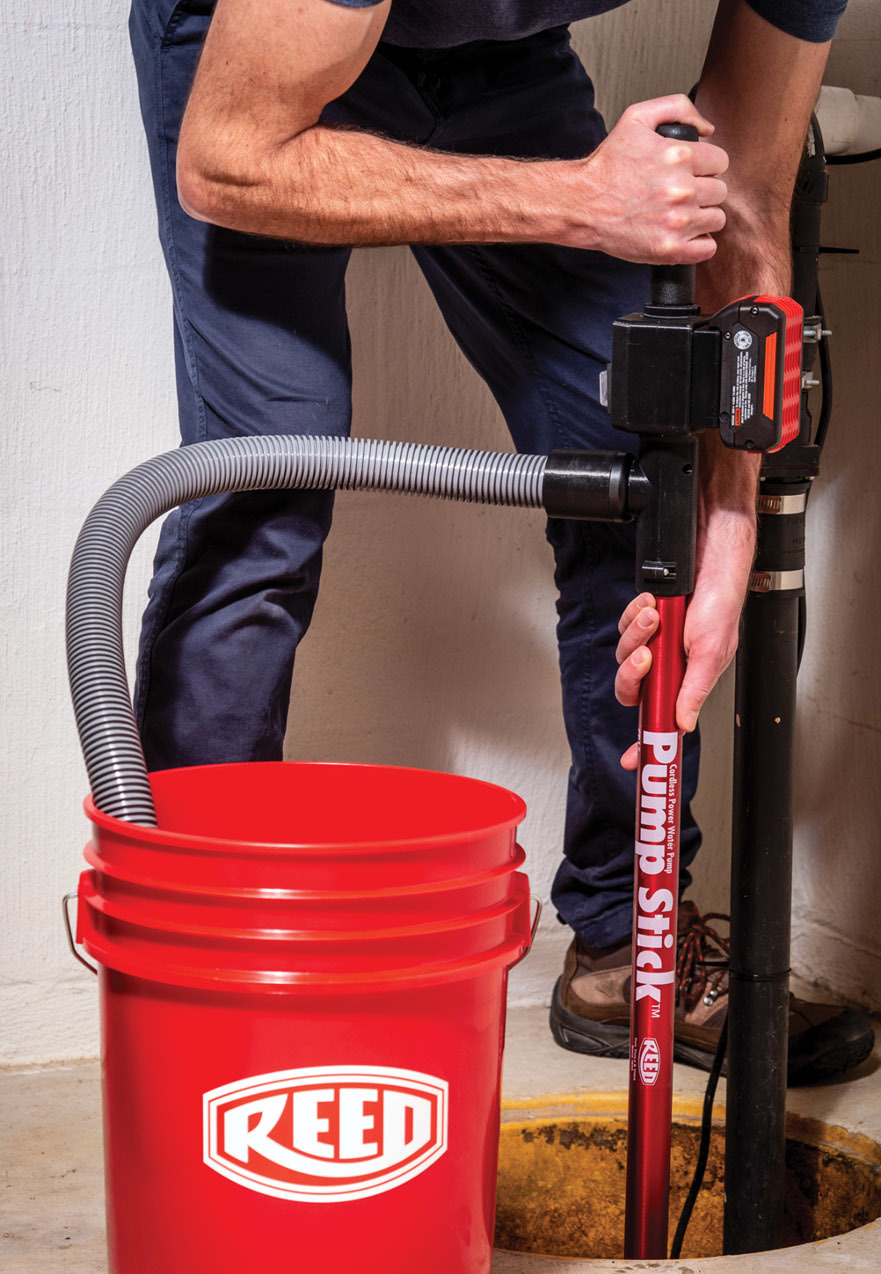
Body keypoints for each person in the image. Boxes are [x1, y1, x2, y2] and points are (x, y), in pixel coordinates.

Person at [128, 0, 873, 1080]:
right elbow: (228, 160)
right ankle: (192, 964)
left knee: (638, 469)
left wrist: (721, 513)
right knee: (264, 486)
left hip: (495, 62)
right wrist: (581, 199)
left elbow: (745, 192)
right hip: (254, 65)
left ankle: (626, 946)